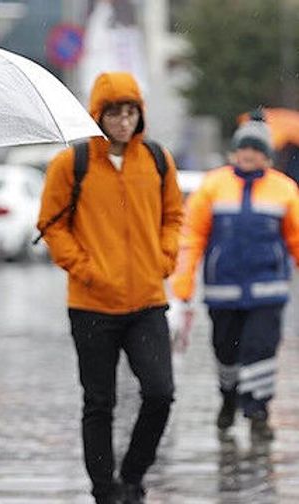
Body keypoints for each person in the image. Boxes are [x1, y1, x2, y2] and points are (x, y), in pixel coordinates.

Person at [36, 72, 184, 504]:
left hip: (147, 303)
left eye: (130, 111)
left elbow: (174, 216)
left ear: (141, 114)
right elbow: (51, 225)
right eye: (114, 112)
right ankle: (105, 490)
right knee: (99, 402)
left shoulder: (157, 159)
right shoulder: (72, 163)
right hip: (91, 305)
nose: (123, 121)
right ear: (97, 115)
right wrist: (86, 269)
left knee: (160, 393)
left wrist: (164, 259)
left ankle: (133, 476)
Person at [170, 113, 299, 441]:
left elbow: (296, 237)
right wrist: (183, 280)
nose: (249, 155)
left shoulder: (284, 190)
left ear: (267, 156)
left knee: (261, 349)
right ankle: (228, 396)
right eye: (244, 148)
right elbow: (192, 236)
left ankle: (258, 410)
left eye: (256, 150)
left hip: (268, 290)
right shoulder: (213, 186)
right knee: (226, 350)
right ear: (233, 152)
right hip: (223, 290)